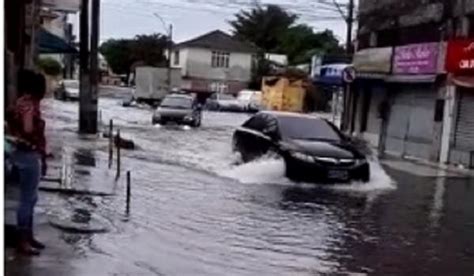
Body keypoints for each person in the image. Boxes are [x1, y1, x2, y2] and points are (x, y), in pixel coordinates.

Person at [6, 70, 47, 255]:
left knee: (30, 197)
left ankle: (27, 236)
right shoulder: (29, 105)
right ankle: (23, 240)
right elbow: (28, 129)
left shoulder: (19, 102)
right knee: (27, 199)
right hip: (28, 154)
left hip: (19, 153)